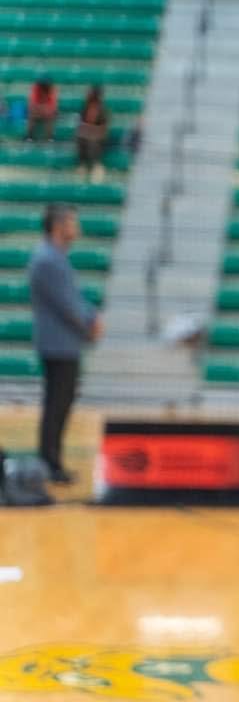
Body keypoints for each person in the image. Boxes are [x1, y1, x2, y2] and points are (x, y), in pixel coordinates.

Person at [27, 204, 103, 484]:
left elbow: (72, 298)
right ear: (59, 226)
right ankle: (49, 462)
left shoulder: (55, 257)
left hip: (64, 343)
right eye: (73, 223)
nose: (77, 228)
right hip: (57, 344)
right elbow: (67, 304)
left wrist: (90, 316)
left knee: (60, 403)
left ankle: (52, 460)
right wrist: (90, 322)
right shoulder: (48, 260)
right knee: (56, 405)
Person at [75, 85, 109, 183]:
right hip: (86, 134)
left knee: (93, 141)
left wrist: (93, 131)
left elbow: (104, 129)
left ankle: (96, 165)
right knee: (80, 137)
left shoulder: (103, 110)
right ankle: (82, 164)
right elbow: (80, 124)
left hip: (98, 137)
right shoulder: (85, 108)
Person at [25, 77, 57, 142]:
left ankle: (50, 138)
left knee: (52, 116)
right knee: (31, 114)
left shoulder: (51, 89)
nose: (43, 88)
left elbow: (53, 107)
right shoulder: (36, 88)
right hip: (37, 112)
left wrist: (46, 110)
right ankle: (29, 136)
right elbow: (31, 105)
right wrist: (41, 109)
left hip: (47, 113)